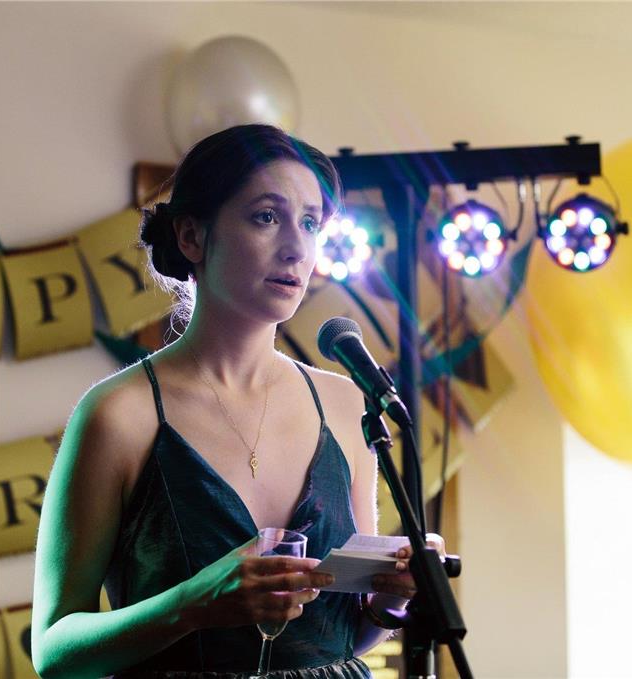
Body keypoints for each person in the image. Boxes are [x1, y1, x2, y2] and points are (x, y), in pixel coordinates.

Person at [31, 124, 440, 678]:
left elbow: (344, 639)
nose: (297, 247)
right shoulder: (118, 414)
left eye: (311, 223)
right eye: (266, 217)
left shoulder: (346, 406)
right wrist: (193, 602)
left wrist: (392, 596)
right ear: (192, 237)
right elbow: (53, 652)